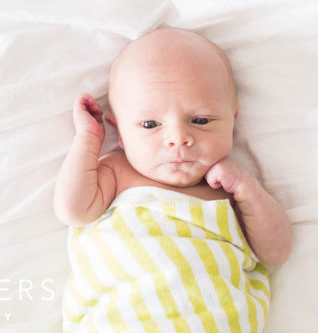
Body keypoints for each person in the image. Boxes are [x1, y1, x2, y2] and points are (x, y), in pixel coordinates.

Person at [54, 26, 292, 332]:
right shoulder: (117, 172)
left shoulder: (230, 192)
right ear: (120, 132)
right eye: (150, 124)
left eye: (201, 120)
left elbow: (276, 252)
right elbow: (72, 210)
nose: (178, 138)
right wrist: (88, 139)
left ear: (233, 117)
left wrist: (247, 189)